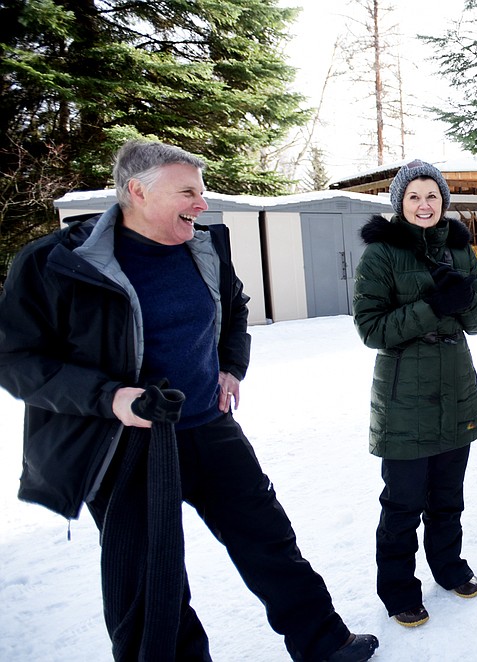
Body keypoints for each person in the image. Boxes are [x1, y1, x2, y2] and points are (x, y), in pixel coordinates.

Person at [0, 140, 378, 662]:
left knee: (268, 540)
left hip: (207, 426)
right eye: (188, 192)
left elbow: (236, 306)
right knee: (152, 580)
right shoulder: (56, 263)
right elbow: (15, 359)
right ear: (137, 190)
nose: (201, 204)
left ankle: (325, 643)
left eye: (201, 193)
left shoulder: (204, 248)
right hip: (124, 445)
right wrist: (110, 398)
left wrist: (230, 364)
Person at [352, 160, 477, 628]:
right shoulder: (382, 254)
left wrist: (465, 299)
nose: (424, 204)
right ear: (400, 203)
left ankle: (449, 568)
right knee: (403, 503)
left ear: (444, 202)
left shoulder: (459, 248)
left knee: (448, 495)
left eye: (432, 195)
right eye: (414, 196)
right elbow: (372, 329)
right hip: (403, 396)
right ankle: (398, 590)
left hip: (456, 387)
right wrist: (433, 306)